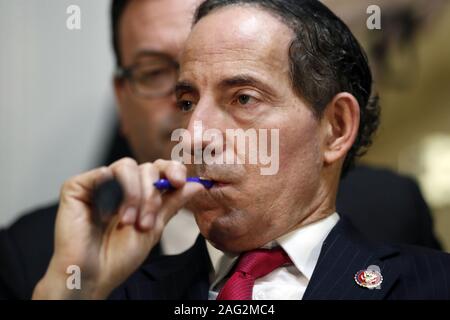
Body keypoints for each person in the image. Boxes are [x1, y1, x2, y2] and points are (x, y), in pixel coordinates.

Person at [0, 0, 442, 300]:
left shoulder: (431, 285)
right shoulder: (115, 290)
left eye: (243, 98)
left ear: (336, 127)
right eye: (187, 102)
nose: (193, 134)